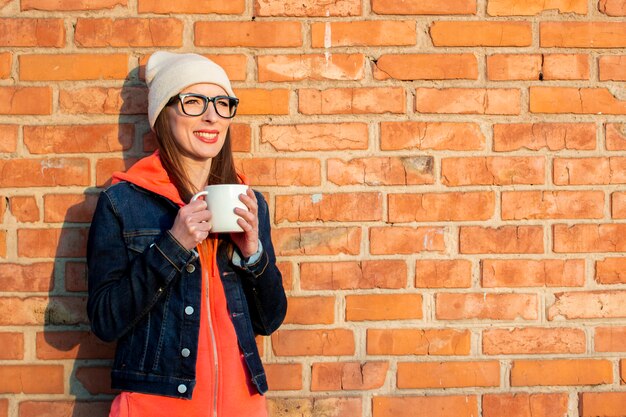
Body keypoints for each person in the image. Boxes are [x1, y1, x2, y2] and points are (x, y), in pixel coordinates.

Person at [86, 51, 287, 417]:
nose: (211, 116)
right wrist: (173, 246)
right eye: (193, 102)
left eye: (222, 103)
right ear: (164, 114)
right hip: (156, 405)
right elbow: (105, 321)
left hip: (243, 405)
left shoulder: (249, 200)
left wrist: (253, 255)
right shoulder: (123, 203)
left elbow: (269, 321)